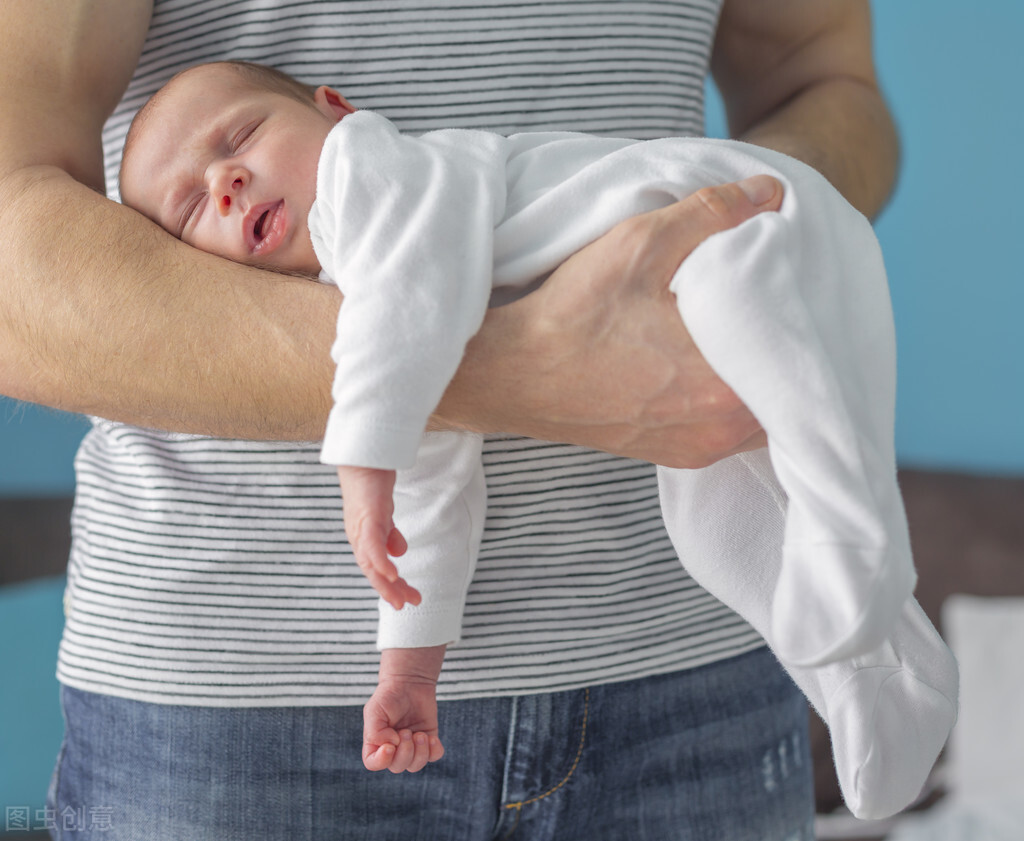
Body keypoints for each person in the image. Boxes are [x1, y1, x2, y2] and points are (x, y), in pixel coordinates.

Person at [0, 2, 906, 839]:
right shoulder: (368, 300)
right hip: (235, 713)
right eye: (192, 207)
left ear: (337, 110)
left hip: (690, 660)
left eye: (242, 137)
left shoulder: (377, 170)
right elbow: (429, 450)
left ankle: (869, 624)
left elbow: (821, 79)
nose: (227, 183)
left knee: (807, 458)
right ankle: (870, 634)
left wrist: (752, 226)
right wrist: (411, 665)